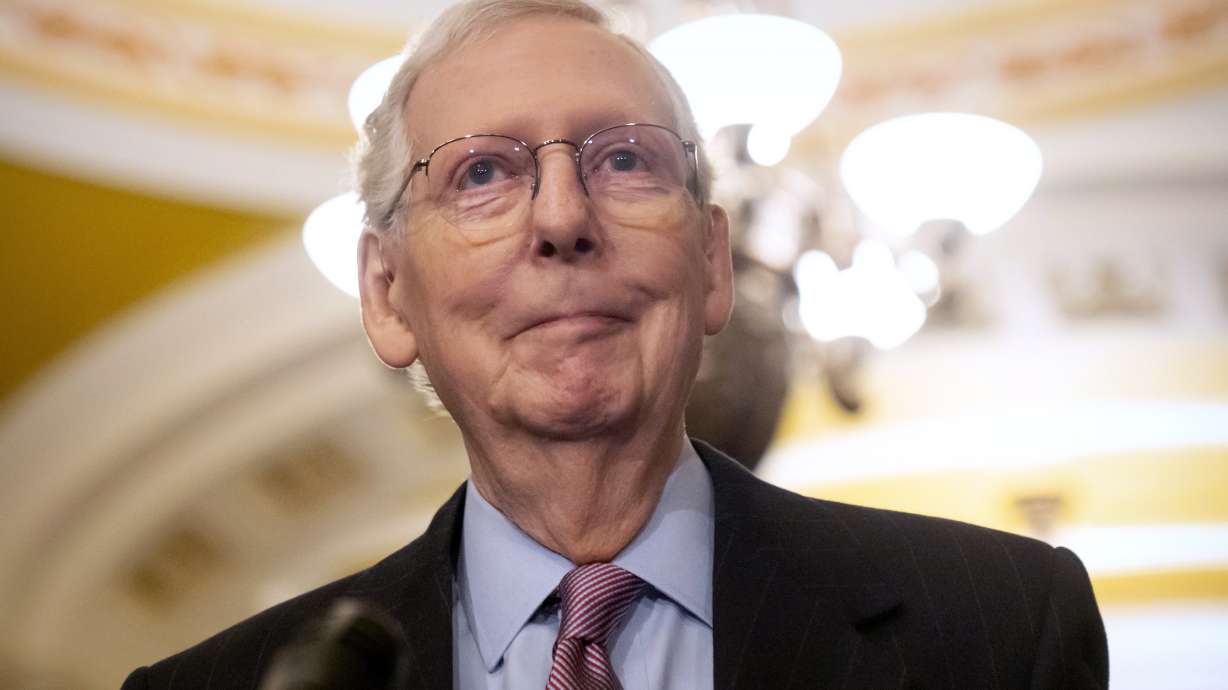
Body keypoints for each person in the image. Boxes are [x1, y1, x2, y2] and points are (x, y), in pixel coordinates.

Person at [121, 0, 1108, 688]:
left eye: (625, 159)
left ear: (712, 261)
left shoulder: (1002, 629)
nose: (562, 218)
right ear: (386, 293)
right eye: (480, 174)